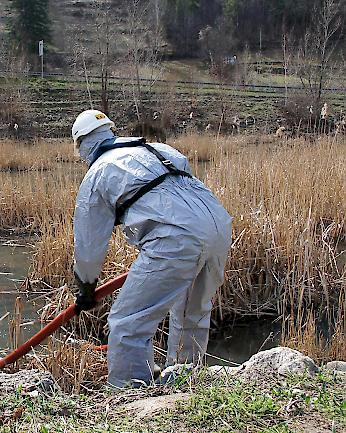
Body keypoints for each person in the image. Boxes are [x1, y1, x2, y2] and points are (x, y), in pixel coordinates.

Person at [70, 110, 232, 388]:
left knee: (127, 322)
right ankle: (184, 385)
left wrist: (85, 286)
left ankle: (128, 397)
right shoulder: (158, 149)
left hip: (176, 238)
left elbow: (89, 244)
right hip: (218, 225)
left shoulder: (97, 173)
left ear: (81, 144)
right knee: (191, 314)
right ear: (110, 131)